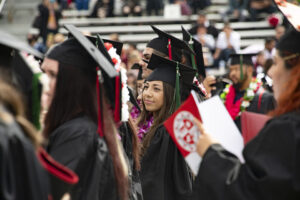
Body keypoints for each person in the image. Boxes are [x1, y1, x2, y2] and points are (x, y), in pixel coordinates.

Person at [192, 26, 300, 200]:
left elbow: (251, 191)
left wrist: (210, 153)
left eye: (276, 62)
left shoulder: (287, 125)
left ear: (295, 69)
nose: (271, 71)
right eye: (231, 69)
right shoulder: (224, 96)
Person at [42, 29, 129, 200]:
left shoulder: (77, 133)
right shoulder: (84, 127)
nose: (44, 83)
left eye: (52, 75)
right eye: (44, 73)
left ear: (73, 84)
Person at [139, 54, 196, 200]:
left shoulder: (165, 132)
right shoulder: (166, 128)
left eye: (156, 89)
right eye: (146, 87)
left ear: (170, 94)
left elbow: (154, 183)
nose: (147, 94)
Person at [219, 53, 275, 129]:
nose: (232, 74)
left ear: (250, 70)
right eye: (231, 70)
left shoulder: (263, 98)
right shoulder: (224, 94)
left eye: (236, 69)